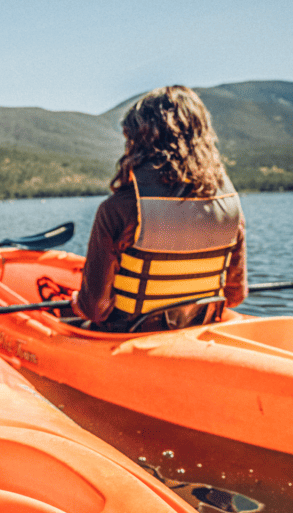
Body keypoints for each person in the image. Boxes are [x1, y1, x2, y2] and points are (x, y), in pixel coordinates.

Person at [71, 86, 247, 332]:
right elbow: (235, 296)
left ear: (139, 142)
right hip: (197, 328)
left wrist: (76, 303)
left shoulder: (117, 209)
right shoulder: (230, 208)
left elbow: (95, 309)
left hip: (128, 336)